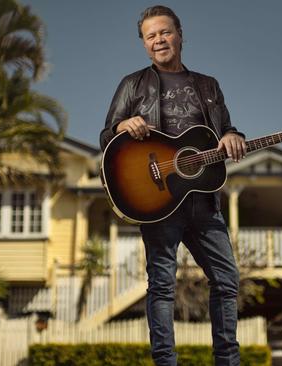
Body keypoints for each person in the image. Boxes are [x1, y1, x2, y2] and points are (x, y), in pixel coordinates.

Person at [99, 5, 246, 366]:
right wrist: (123, 127)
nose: (158, 40)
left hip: (203, 200)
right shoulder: (133, 84)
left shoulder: (208, 86)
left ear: (180, 34)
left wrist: (231, 136)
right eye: (150, 36)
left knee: (226, 280)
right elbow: (106, 136)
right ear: (144, 45)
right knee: (162, 285)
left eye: (164, 32)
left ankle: (228, 360)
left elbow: (225, 129)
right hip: (159, 199)